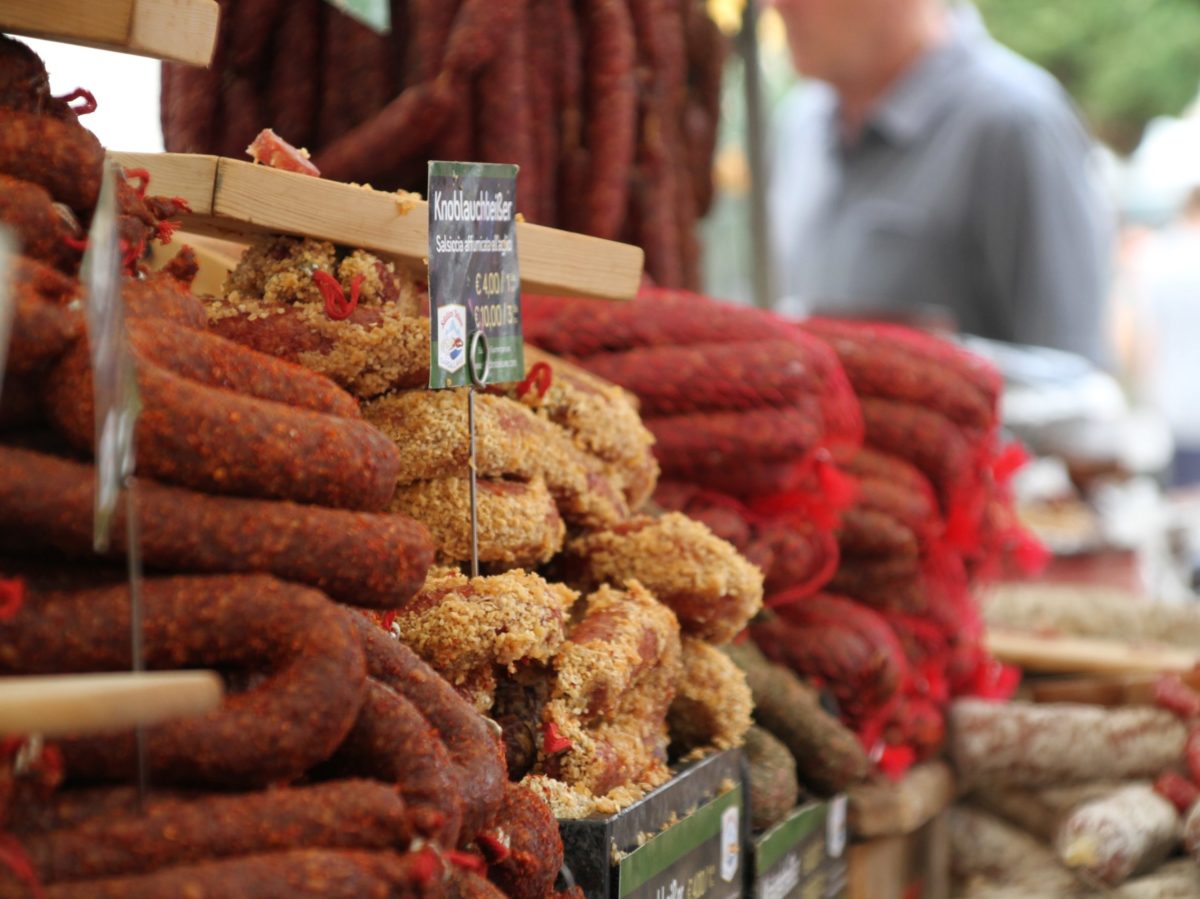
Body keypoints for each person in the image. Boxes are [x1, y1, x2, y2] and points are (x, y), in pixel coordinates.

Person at [767, 0, 1115, 366]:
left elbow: (1075, 381)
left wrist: (927, 374)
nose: (778, 6)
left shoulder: (1014, 123)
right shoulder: (798, 124)